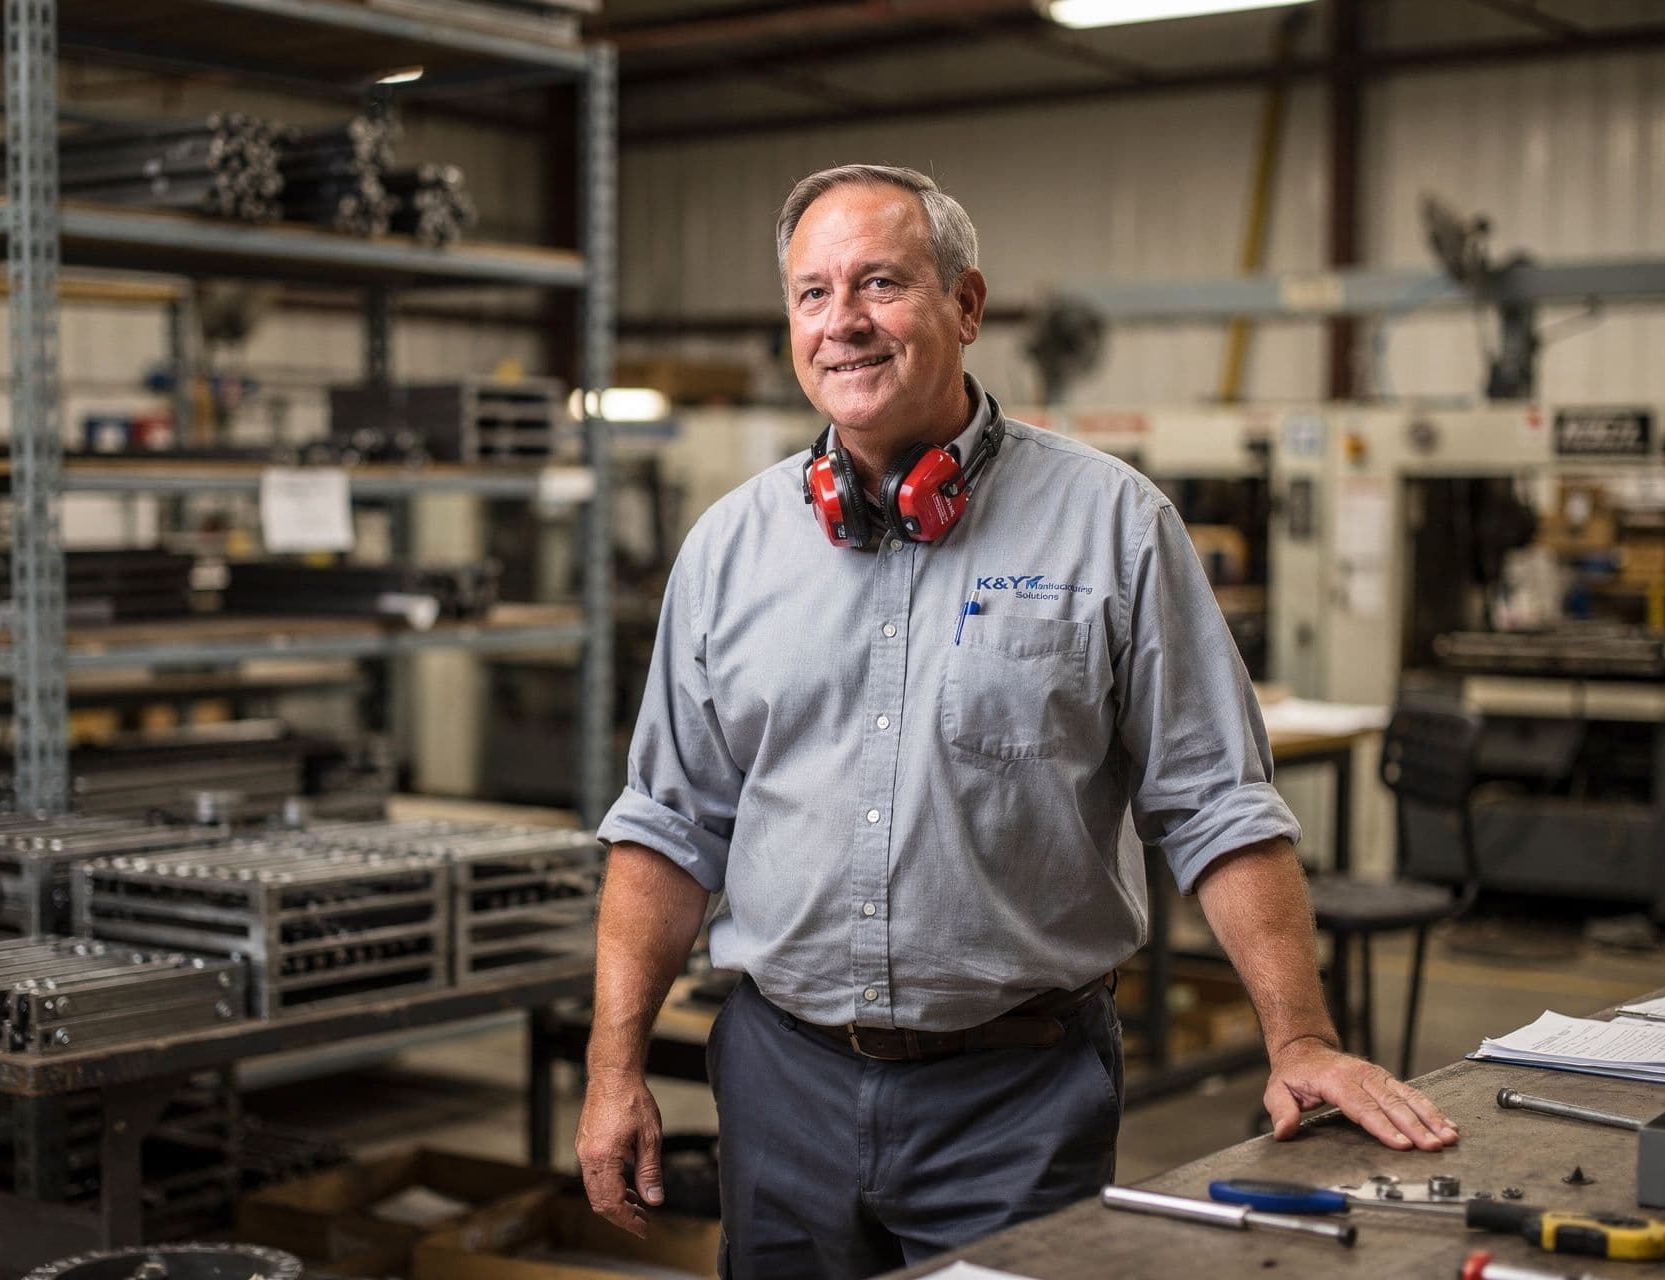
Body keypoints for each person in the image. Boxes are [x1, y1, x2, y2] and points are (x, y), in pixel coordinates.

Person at [577, 163, 1458, 1279]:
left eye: (882, 283)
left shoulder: (1115, 527)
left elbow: (1217, 802)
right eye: (812, 293)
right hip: (778, 1083)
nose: (843, 321)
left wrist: (1299, 1038)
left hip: (1016, 1096)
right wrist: (614, 1069)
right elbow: (667, 824)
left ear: (968, 305)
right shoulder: (726, 549)